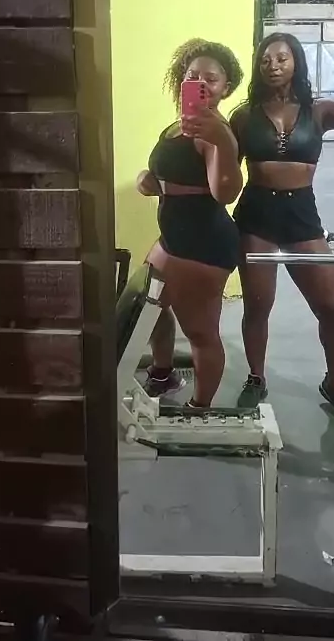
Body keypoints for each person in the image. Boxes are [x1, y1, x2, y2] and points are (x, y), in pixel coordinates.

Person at [230, 25, 334, 428]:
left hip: (302, 216)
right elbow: (225, 175)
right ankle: (256, 378)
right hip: (256, 216)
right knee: (258, 306)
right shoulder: (244, 116)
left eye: (281, 58)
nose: (273, 65)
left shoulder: (318, 111)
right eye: (265, 60)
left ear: (296, 63)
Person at [137, 39, 243, 407]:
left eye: (211, 79)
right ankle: (162, 374)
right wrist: (150, 180)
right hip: (173, 239)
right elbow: (176, 172)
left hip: (202, 247)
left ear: (226, 87)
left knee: (200, 333)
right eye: (192, 75)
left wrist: (224, 141)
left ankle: (200, 408)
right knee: (149, 308)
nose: (200, 83)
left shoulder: (213, 132)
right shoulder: (179, 124)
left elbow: (224, 192)